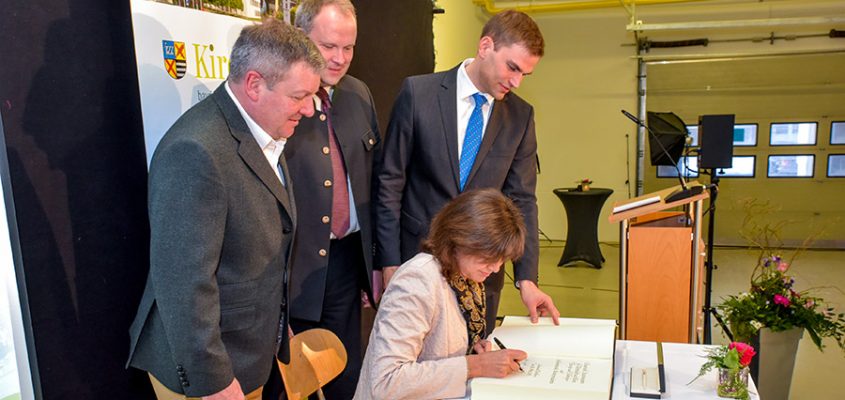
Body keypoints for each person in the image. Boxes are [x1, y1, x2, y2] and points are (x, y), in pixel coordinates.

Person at [126, 19, 324, 400]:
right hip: (209, 374)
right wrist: (212, 379)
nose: (310, 109)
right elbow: (184, 285)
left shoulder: (266, 132)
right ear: (253, 84)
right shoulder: (196, 151)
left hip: (249, 355)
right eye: (299, 95)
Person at [374, 10, 559, 333]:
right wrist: (389, 263)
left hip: (483, 275)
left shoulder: (520, 117)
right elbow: (390, 183)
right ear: (485, 46)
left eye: (524, 75)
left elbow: (523, 201)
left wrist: (527, 278)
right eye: (512, 68)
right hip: (418, 259)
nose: (516, 82)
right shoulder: (419, 94)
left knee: (477, 364)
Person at [284, 1, 380, 398]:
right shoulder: (282, 96)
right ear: (301, 36)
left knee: (345, 376)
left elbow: (374, 182)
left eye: (349, 48)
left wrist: (371, 264)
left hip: (345, 265)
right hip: (292, 270)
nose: (339, 59)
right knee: (292, 383)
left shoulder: (359, 94)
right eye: (328, 47)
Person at [355, 189, 530, 400]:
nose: (495, 268)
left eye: (502, 259)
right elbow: (385, 383)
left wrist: (471, 349)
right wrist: (475, 365)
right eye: (489, 257)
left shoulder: (465, 275)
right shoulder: (417, 281)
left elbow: (438, 345)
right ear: (460, 238)